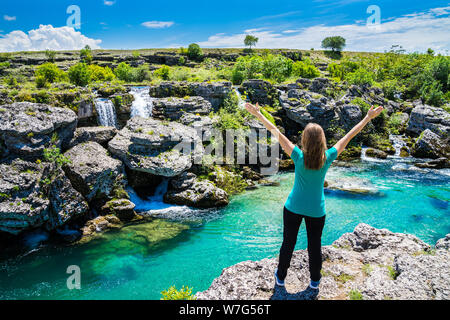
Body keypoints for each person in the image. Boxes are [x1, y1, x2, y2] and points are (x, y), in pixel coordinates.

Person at [244, 102, 384, 290]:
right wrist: (367, 117)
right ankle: (315, 281)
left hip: (293, 207)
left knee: (288, 243)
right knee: (314, 246)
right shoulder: (328, 157)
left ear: (304, 139)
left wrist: (258, 114)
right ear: (322, 140)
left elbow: (274, 131)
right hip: (317, 210)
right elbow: (349, 136)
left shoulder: (297, 155)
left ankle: (281, 276)